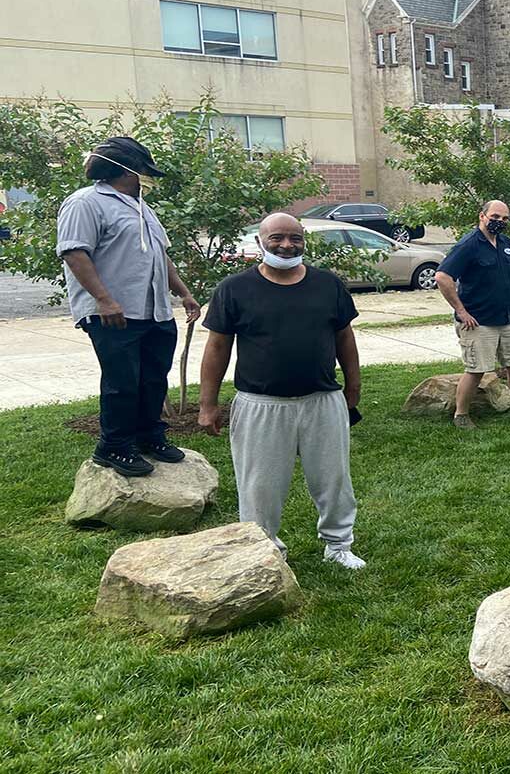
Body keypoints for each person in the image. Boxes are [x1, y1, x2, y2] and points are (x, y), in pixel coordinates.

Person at [198, 214, 365, 569]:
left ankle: (338, 545)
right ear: (260, 241)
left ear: (304, 241)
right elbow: (217, 349)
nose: (287, 245)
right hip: (261, 404)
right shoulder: (234, 289)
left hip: (322, 400)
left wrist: (353, 386)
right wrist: (207, 405)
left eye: (295, 238)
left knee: (334, 480)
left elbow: (344, 338)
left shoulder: (328, 285)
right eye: (277, 238)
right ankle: (263, 548)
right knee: (259, 485)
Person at [55, 137, 200, 477]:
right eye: (144, 172)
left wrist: (183, 293)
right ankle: (114, 447)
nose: (147, 179)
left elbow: (159, 256)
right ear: (125, 170)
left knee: (153, 379)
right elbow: (75, 252)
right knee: (122, 382)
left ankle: (150, 436)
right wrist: (104, 300)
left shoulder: (141, 208)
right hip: (114, 313)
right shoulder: (85, 203)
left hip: (155, 312)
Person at [436, 200, 510, 428]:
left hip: (506, 319)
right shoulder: (469, 245)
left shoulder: (505, 243)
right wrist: (461, 311)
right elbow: (442, 277)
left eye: (504, 218)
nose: (499, 222)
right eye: (495, 217)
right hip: (478, 322)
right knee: (476, 369)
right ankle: (461, 415)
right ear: (482, 216)